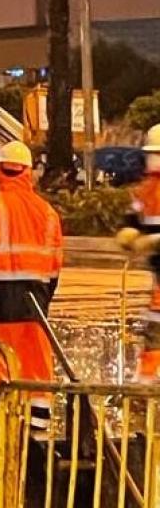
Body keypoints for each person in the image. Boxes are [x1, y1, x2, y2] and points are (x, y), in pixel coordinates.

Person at [0, 141, 63, 428]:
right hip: (34, 302)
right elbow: (55, 264)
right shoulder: (48, 213)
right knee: (36, 367)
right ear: (29, 173)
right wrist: (45, 298)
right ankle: (38, 429)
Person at [116, 124, 160, 382]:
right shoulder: (145, 191)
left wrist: (151, 241)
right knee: (154, 333)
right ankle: (145, 388)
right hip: (158, 281)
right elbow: (131, 222)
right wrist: (129, 235)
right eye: (152, 154)